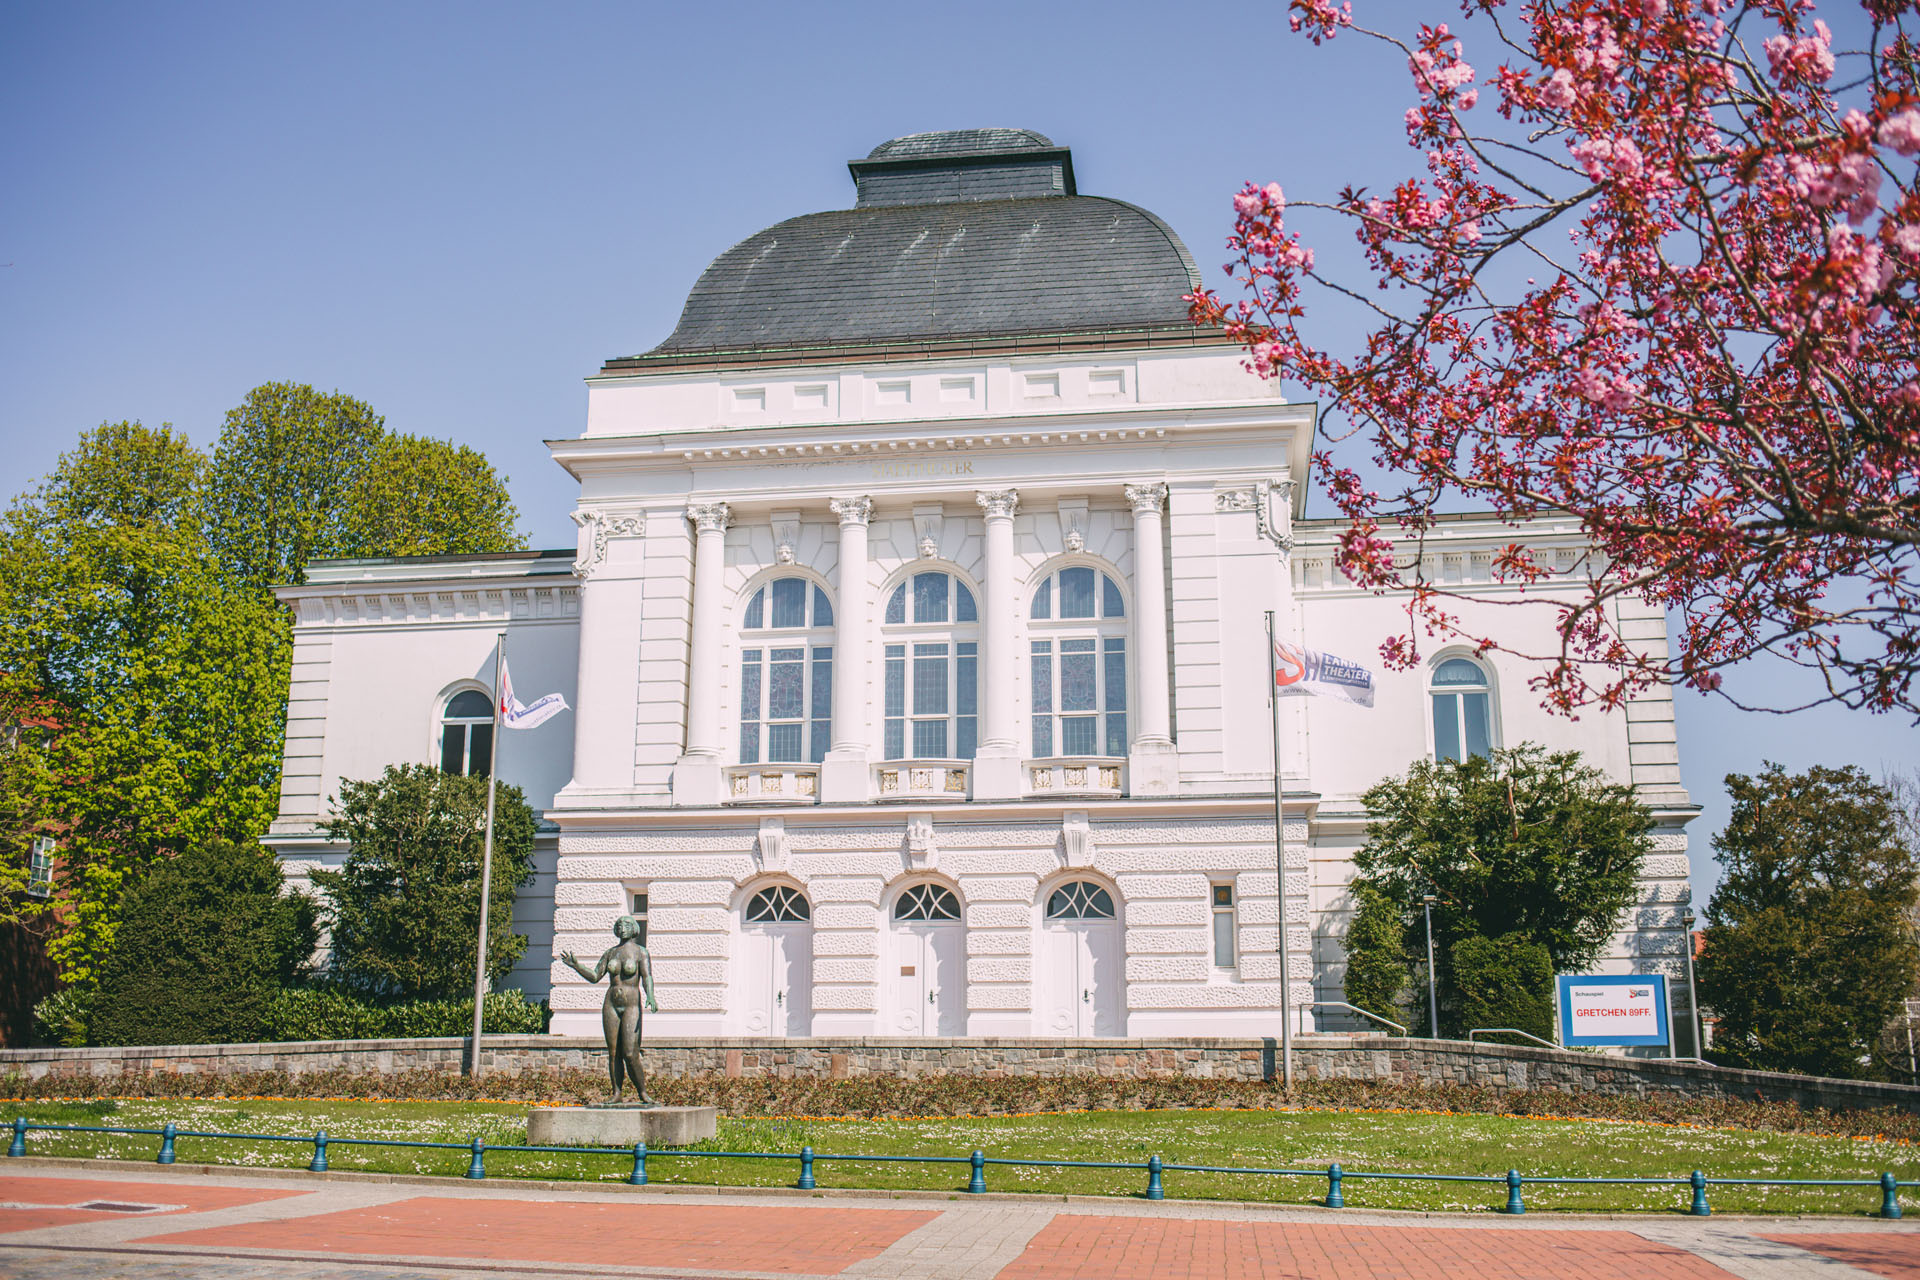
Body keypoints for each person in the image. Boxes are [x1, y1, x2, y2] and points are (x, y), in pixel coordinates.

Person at [560, 914, 659, 1104]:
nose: (622, 928)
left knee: (630, 1053)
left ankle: (642, 1092)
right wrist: (577, 966)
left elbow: (647, 977)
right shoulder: (610, 953)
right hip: (611, 1003)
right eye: (619, 925)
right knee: (614, 1052)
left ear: (634, 929)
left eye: (627, 924)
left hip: (631, 1003)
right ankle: (617, 1093)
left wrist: (651, 996)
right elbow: (595, 976)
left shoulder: (641, 952)